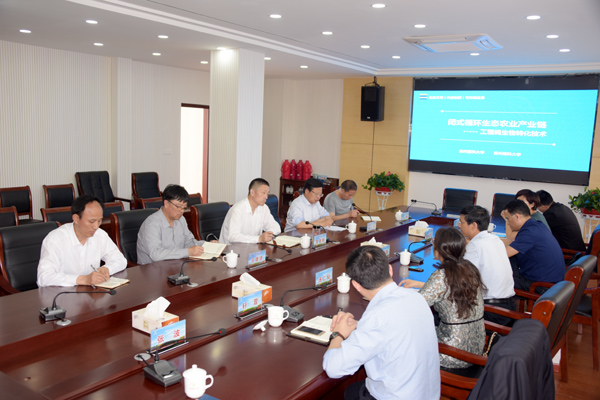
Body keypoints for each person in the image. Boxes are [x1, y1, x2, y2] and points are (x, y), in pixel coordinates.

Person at [323, 246, 440, 400]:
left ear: (356, 285)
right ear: (390, 270)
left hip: (398, 396)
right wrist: (361, 326)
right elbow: (391, 326)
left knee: (349, 392)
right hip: (427, 394)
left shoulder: (377, 317)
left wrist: (338, 334)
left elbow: (333, 368)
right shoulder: (416, 297)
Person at [400, 227, 486, 369]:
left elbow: (414, 307)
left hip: (453, 352)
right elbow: (451, 290)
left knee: (405, 335)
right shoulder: (469, 269)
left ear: (438, 250)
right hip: (476, 347)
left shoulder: (442, 276)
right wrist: (422, 284)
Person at [37, 195, 127, 287]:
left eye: (99, 221)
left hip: (91, 292)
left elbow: (120, 260)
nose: (96, 226)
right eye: (91, 221)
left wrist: (107, 269)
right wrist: (83, 279)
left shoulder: (100, 235)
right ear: (76, 218)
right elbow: (44, 278)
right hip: (61, 293)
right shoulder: (55, 240)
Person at [459, 205, 515, 326]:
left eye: (461, 222)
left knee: (442, 313)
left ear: (473, 225)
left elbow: (462, 277)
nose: (459, 225)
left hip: (491, 311)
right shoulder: (495, 239)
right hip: (509, 307)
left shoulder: (475, 245)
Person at [501, 200, 565, 291]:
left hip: (542, 285)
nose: (507, 223)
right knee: (511, 261)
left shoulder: (529, 232)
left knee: (500, 276)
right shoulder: (537, 225)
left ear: (517, 216)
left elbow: (503, 255)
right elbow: (514, 243)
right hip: (553, 279)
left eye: (507, 219)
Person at [137, 184, 205, 265]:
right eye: (178, 206)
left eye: (184, 207)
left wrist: (207, 245)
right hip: (151, 269)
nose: (182, 211)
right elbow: (155, 254)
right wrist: (187, 252)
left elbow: (189, 242)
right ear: (166, 204)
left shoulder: (181, 219)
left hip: (175, 265)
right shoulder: (152, 224)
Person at [219, 178, 281, 245]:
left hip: (252, 247)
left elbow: (276, 228)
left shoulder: (264, 208)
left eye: (267, 194)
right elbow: (232, 237)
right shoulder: (237, 210)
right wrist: (258, 239)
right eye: (263, 193)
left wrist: (267, 235)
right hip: (231, 249)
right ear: (252, 192)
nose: (266, 197)